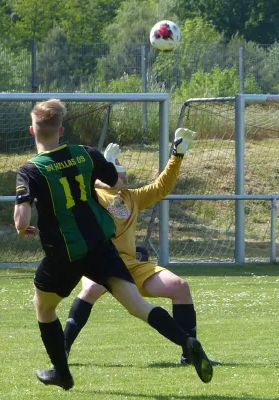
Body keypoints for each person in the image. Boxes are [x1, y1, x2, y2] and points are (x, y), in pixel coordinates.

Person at [14, 99, 213, 391]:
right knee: (138, 305)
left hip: (65, 253)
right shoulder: (85, 154)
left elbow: (21, 219)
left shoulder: (30, 170)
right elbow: (117, 184)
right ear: (62, 129)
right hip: (100, 247)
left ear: (32, 130)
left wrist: (23, 228)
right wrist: (104, 169)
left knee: (44, 309)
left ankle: (62, 371)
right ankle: (187, 341)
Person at [64, 128, 221, 367]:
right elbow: (78, 186)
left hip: (130, 265)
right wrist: (104, 163)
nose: (123, 170)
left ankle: (190, 354)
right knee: (91, 289)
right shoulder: (92, 196)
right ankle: (62, 351)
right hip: (99, 261)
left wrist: (176, 156)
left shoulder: (131, 197)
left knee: (180, 287)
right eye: (117, 165)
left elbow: (162, 187)